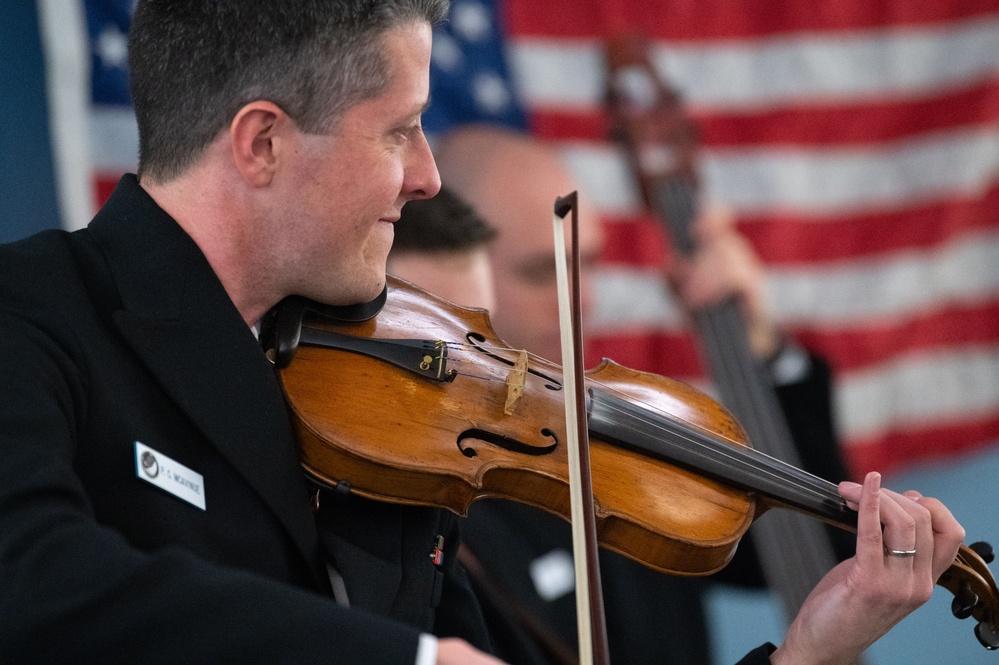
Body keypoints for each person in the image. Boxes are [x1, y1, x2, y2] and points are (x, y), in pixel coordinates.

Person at [0, 3, 966, 665]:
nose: (425, 176)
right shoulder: (33, 314)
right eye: (399, 130)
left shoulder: (382, 404)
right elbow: (30, 578)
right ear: (261, 142)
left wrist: (810, 649)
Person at [429, 123, 949, 664]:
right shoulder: (430, 487)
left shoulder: (620, 438)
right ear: (446, 274)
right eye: (543, 272)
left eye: (590, 264)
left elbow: (805, 554)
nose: (583, 300)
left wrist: (759, 351)